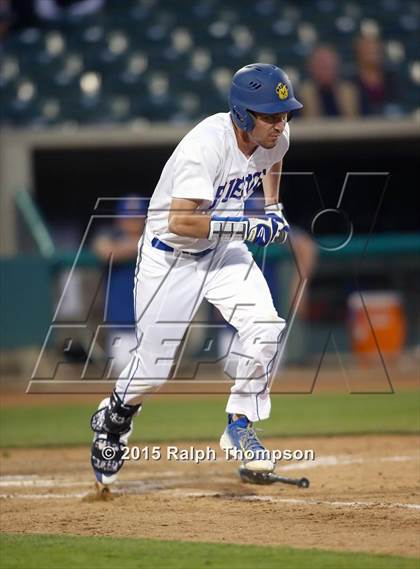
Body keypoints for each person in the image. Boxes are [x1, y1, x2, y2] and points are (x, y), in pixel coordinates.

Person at [90, 63, 303, 486]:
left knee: (265, 326)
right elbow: (180, 222)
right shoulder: (204, 147)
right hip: (171, 257)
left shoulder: (276, 137)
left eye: (284, 115)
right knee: (153, 370)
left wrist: (273, 207)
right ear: (243, 115)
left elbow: (275, 159)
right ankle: (115, 415)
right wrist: (248, 225)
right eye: (270, 115)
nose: (280, 124)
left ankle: (240, 423)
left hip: (223, 251)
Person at [92, 196, 147, 376]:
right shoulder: (109, 236)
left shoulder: (153, 238)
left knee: (154, 378)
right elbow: (104, 250)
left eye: (136, 217)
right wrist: (140, 245)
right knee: (125, 373)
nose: (132, 222)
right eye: (128, 217)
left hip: (152, 324)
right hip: (122, 325)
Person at [300, 45, 358, 118]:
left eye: (328, 65)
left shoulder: (349, 91)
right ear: (311, 67)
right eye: (321, 65)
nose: (325, 69)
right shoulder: (304, 93)